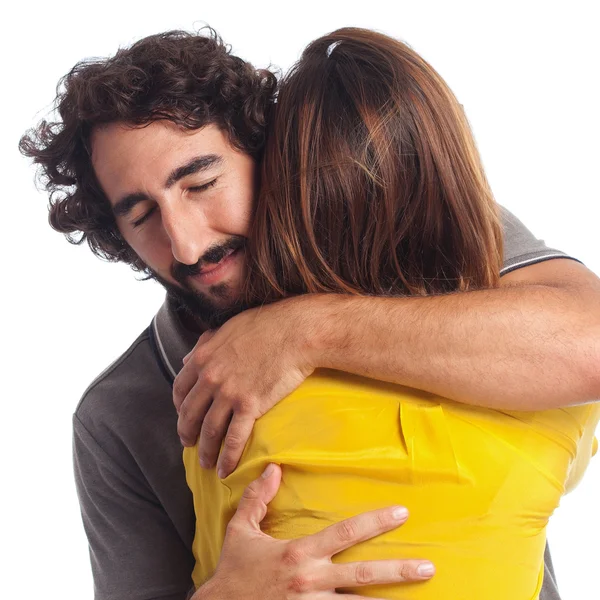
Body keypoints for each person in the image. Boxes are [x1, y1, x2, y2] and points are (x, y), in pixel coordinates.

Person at [19, 29, 600, 600]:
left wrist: (308, 332)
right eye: (141, 215)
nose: (188, 244)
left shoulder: (403, 214)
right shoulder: (119, 413)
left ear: (267, 155)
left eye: (201, 183)